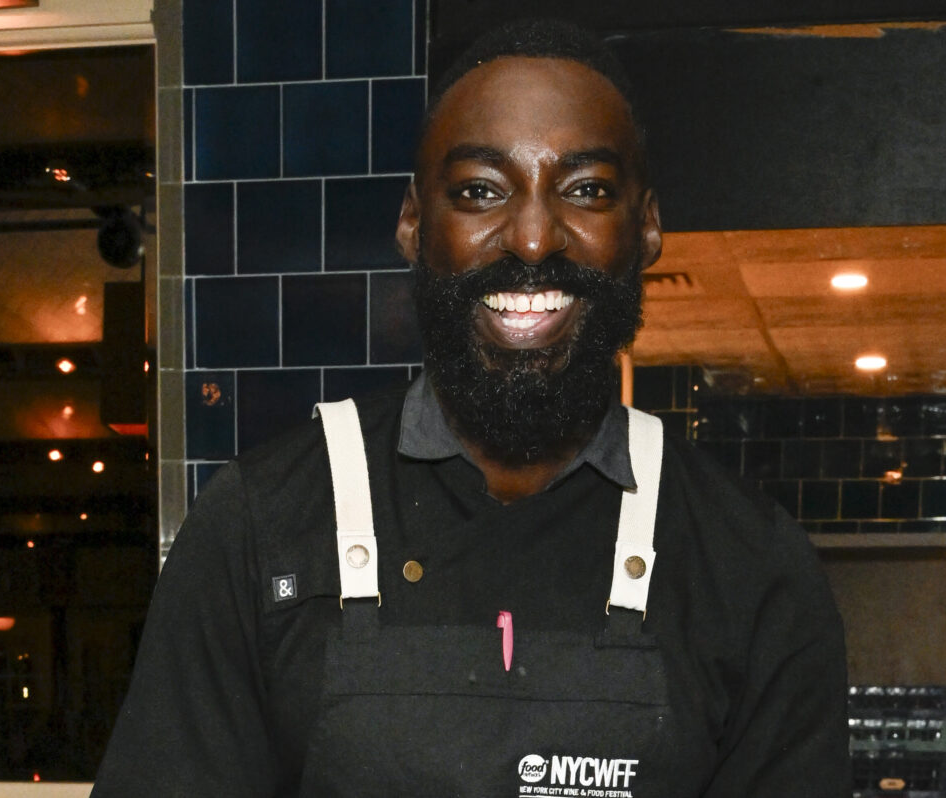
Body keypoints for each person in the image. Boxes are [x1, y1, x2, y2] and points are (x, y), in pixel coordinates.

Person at [93, 19, 848, 797]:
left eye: (585, 189)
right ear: (415, 224)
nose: (530, 238)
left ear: (646, 226)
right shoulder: (261, 530)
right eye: (480, 190)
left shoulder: (751, 566)